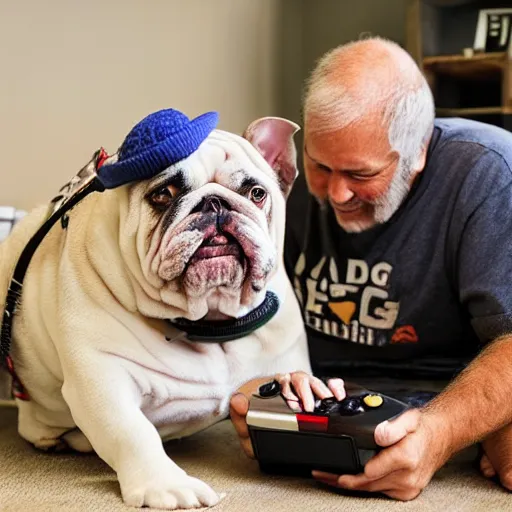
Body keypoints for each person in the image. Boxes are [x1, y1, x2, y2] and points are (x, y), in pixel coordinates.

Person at [229, 36, 512, 501]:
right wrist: (258, 385)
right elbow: (243, 318)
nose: (336, 194)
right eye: (321, 166)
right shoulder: (277, 181)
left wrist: (440, 433)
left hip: (449, 388)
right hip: (326, 391)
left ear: (417, 153)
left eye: (360, 175)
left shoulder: (487, 173)